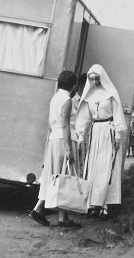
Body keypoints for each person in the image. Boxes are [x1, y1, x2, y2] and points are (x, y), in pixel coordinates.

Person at [29, 70, 81, 228]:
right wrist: (68, 149)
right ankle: (51, 213)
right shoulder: (67, 100)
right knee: (63, 177)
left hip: (54, 139)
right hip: (63, 140)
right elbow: (65, 125)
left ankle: (60, 216)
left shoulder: (55, 98)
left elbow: (52, 124)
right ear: (73, 85)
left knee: (56, 176)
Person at [76, 64, 127, 219]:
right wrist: (80, 135)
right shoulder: (89, 96)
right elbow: (84, 116)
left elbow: (117, 114)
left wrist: (118, 135)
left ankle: (104, 205)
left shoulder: (111, 93)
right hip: (95, 132)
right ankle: (92, 205)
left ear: (102, 78)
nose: (94, 81)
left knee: (106, 168)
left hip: (109, 132)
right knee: (93, 168)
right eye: (91, 79)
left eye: (97, 78)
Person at [70, 72, 89, 176]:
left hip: (84, 142)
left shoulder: (89, 103)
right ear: (82, 85)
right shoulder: (72, 102)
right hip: (74, 140)